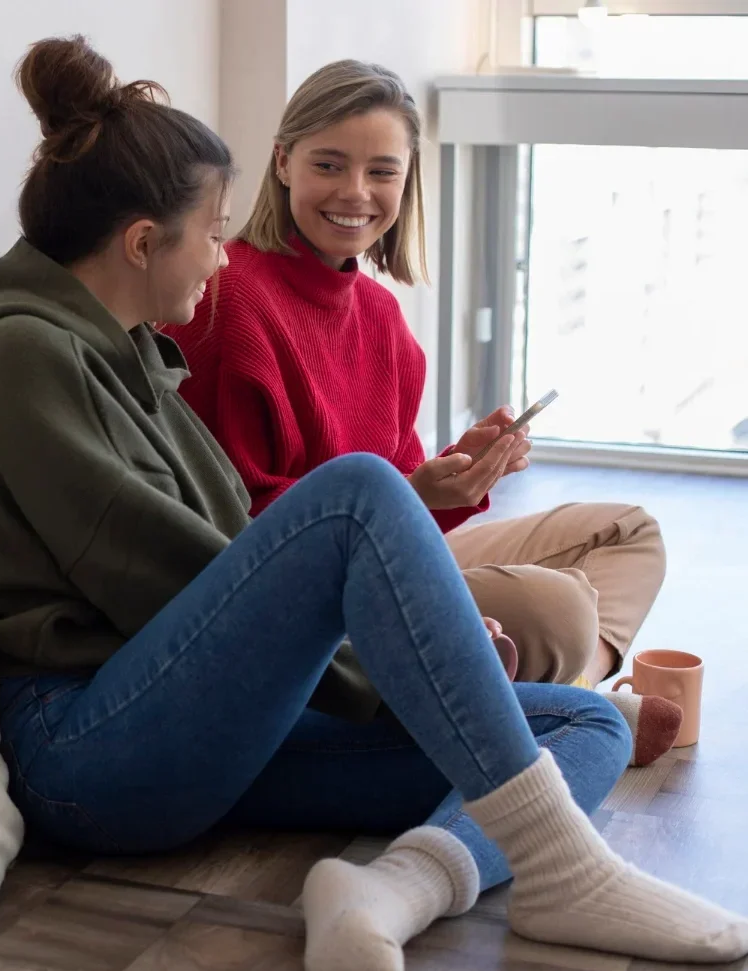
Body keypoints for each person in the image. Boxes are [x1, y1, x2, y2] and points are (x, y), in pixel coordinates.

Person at [0, 36, 748, 971]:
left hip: (208, 725)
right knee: (364, 489)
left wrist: (424, 660)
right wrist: (391, 672)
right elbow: (165, 582)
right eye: (212, 229)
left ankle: (389, 896)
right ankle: (566, 869)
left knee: (585, 725)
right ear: (141, 242)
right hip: (90, 749)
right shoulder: (28, 358)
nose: (221, 253)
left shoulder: (127, 353)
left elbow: (221, 577)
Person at [164, 58, 680, 768]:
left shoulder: (380, 317)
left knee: (630, 532)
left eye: (382, 171)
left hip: (390, 562)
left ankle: (577, 689)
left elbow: (404, 504)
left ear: (408, 182)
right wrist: (413, 496)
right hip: (309, 597)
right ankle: (561, 707)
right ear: (284, 164)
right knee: (560, 608)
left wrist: (454, 476)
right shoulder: (231, 304)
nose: (356, 193)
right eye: (329, 165)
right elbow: (240, 533)